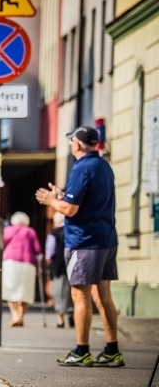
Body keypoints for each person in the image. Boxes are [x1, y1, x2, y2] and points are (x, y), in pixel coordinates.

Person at [35, 125, 122, 367]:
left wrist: (52, 200)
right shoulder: (104, 166)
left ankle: (82, 350)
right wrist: (63, 196)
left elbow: (71, 210)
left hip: (84, 241)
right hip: (106, 238)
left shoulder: (82, 168)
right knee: (103, 294)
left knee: (79, 293)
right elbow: (85, 201)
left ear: (76, 145)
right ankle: (112, 349)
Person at [1, 212, 42, 327]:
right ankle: (20, 316)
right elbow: (37, 250)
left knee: (10, 289)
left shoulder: (7, 230)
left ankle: (15, 315)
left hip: (10, 262)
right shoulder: (30, 231)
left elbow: (1, 244)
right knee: (25, 292)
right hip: (27, 262)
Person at [45, 212, 73, 328]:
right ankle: (71, 313)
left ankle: (60, 318)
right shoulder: (73, 231)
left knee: (58, 291)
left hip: (58, 266)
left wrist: (48, 262)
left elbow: (50, 252)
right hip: (72, 264)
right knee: (71, 291)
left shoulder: (54, 234)